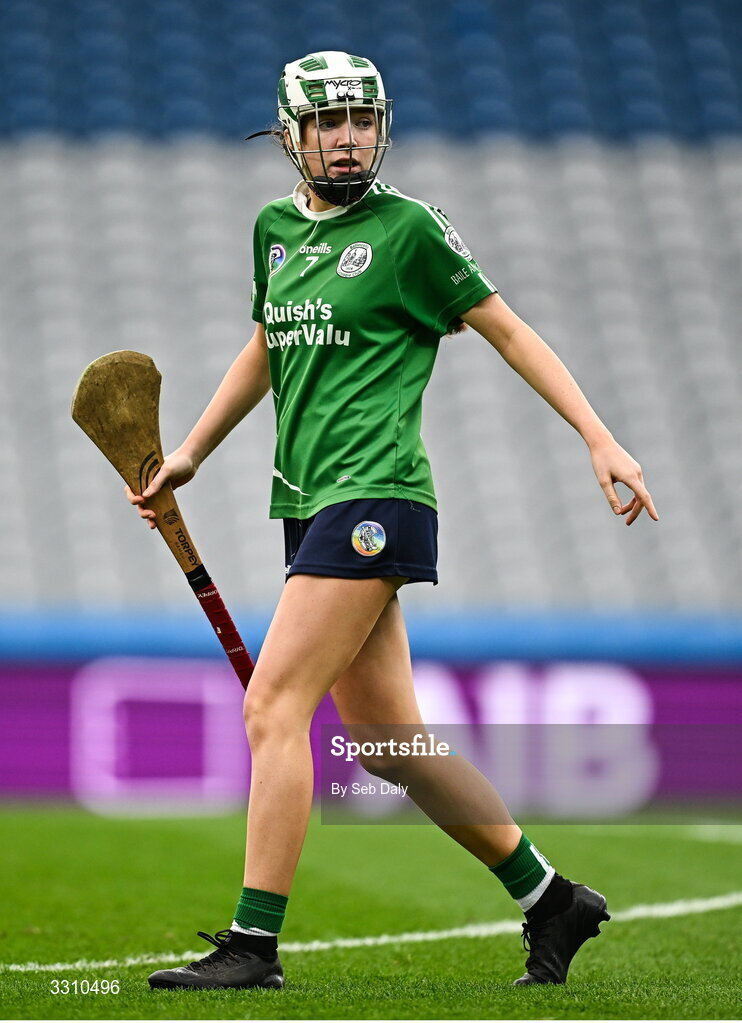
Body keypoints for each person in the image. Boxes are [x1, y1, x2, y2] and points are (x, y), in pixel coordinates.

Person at [129, 51, 658, 992]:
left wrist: (599, 436)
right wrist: (193, 451)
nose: (349, 138)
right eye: (328, 123)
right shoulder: (274, 232)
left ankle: (254, 946)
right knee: (387, 742)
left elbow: (505, 327)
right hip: (308, 500)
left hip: (375, 500)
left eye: (362, 120)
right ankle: (551, 899)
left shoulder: (410, 229)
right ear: (292, 135)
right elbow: (267, 341)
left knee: (273, 708)